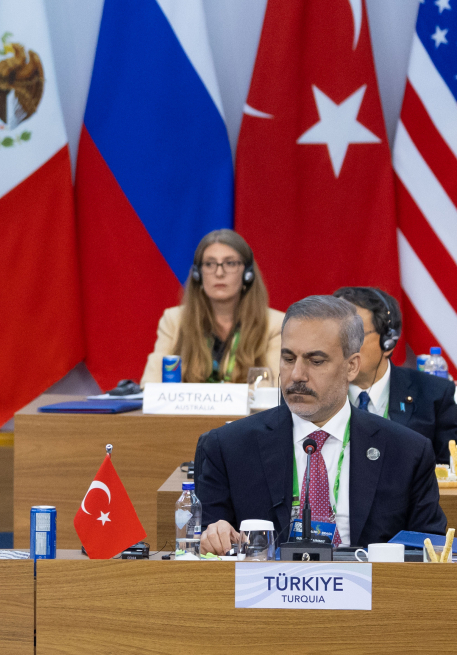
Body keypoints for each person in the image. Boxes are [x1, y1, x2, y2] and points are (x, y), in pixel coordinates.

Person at [198, 295, 445, 554]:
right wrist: (215, 534)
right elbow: (205, 546)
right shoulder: (228, 448)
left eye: (316, 361)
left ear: (352, 366)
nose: (297, 375)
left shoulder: (407, 452)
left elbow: (430, 557)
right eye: (288, 358)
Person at [141, 229, 283, 385]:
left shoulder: (275, 325)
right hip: (186, 410)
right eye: (209, 264)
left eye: (230, 263)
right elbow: (150, 385)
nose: (219, 272)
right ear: (198, 274)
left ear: (247, 274)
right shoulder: (174, 320)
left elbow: (276, 389)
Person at [333, 286, 457, 462]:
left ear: (388, 342)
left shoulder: (434, 395)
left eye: (353, 335)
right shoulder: (314, 393)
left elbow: (450, 471)